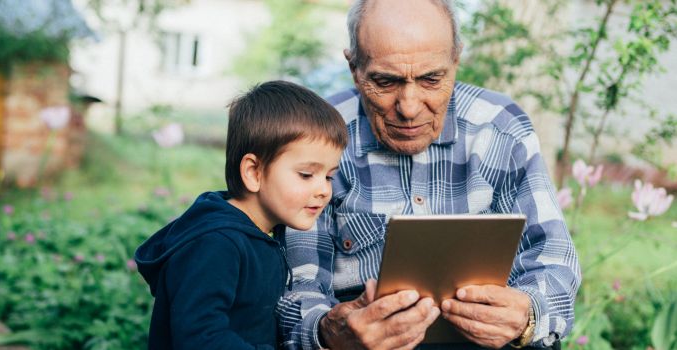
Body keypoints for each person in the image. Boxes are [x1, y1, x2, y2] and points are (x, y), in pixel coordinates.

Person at [277, 0, 581, 349]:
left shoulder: (500, 129)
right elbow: (297, 287)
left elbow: (555, 258)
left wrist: (528, 315)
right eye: (386, 81)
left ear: (456, 60)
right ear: (354, 68)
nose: (408, 107)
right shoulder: (318, 138)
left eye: (431, 79)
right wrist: (329, 332)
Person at [135, 80, 347, 349]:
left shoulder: (264, 234)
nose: (323, 190)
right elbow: (199, 337)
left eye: (329, 176)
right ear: (253, 172)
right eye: (306, 175)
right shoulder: (216, 244)